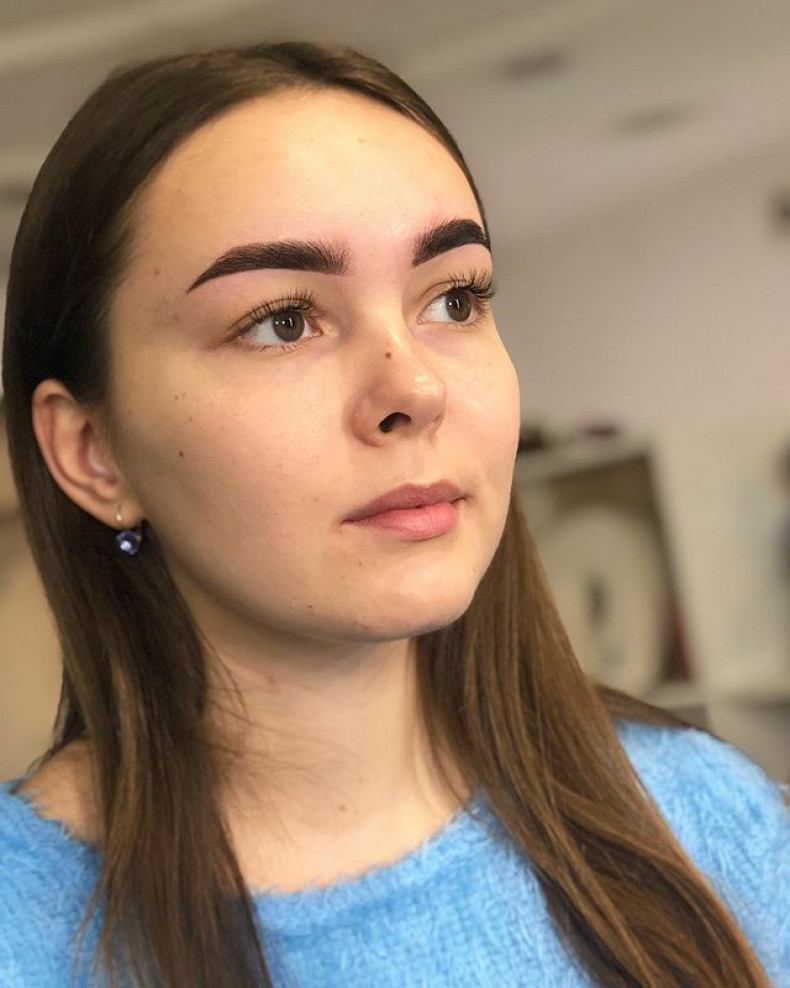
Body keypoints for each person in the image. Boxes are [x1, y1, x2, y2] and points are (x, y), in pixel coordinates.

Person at [0, 41, 787, 988]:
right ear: (93, 451)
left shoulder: (705, 819)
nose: (414, 386)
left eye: (454, 299)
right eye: (282, 321)